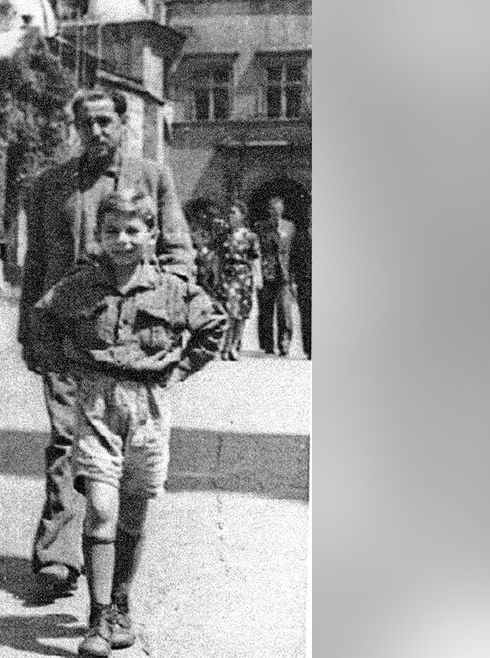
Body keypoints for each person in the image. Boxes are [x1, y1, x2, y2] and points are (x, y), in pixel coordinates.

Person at [26, 190, 226, 656]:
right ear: (98, 236)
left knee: (134, 511)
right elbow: (43, 319)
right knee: (100, 506)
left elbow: (213, 324)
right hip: (96, 402)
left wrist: (178, 369)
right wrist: (67, 366)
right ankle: (97, 619)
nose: (122, 240)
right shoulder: (83, 284)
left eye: (132, 231)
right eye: (111, 231)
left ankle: (119, 606)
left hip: (148, 407)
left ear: (152, 235)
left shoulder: (172, 290)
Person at [18, 88, 196, 593]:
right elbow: (35, 266)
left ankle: (111, 555)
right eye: (85, 124)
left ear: (123, 124)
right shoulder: (51, 186)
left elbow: (180, 255)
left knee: (122, 448)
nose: (95, 132)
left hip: (129, 338)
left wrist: (164, 319)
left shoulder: (152, 179)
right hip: (67, 329)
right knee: (64, 436)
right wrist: (29, 331)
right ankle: (58, 553)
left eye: (104, 122)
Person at [212, 202, 261, 361]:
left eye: (234, 213)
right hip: (227, 275)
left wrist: (258, 278)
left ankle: (234, 345)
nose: (231, 216)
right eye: (230, 213)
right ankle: (225, 346)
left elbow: (255, 259)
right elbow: (218, 257)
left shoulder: (250, 236)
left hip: (244, 277)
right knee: (228, 311)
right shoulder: (224, 235)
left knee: (241, 313)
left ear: (242, 215)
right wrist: (216, 275)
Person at [255, 196, 296, 356]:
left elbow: (292, 252)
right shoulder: (260, 227)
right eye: (272, 209)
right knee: (266, 310)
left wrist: (292, 276)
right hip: (267, 273)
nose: (275, 212)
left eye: (278, 209)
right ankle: (267, 343)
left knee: (285, 310)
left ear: (282, 210)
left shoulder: (289, 227)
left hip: (284, 275)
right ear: (268, 210)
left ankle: (284, 343)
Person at [291, 218, 311, 359]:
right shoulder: (300, 237)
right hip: (304, 281)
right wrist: (292, 281)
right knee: (306, 314)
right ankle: (310, 348)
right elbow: (293, 259)